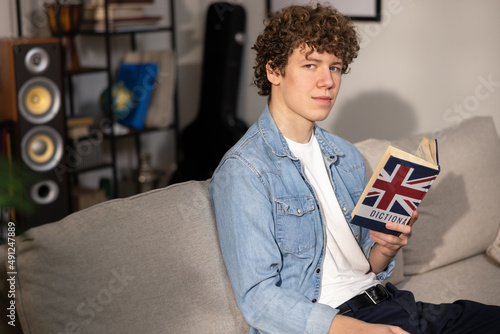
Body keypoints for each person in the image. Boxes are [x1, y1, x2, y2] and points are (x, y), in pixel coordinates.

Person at [209, 3, 500, 333]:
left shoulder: (344, 156)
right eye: (310, 65)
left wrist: (385, 248)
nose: (327, 81)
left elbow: (364, 266)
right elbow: (259, 300)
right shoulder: (244, 171)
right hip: (342, 325)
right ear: (274, 70)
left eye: (335, 68)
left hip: (393, 304)